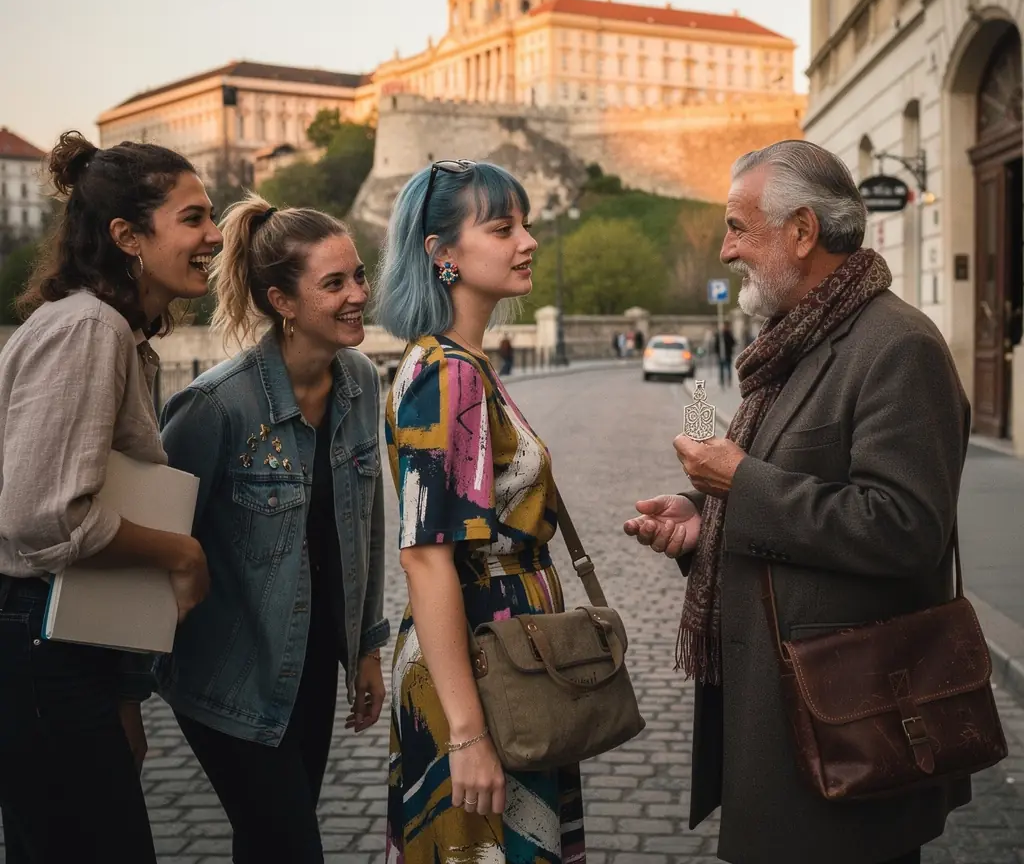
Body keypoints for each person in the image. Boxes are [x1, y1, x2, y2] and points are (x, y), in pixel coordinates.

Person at [624, 139, 971, 864]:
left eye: (737, 228)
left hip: (850, 721)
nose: (726, 250)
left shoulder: (898, 345)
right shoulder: (799, 340)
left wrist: (739, 484)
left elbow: (905, 528)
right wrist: (705, 517)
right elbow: (802, 486)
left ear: (803, 230)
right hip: (787, 716)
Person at [0, 131, 215, 864]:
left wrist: (123, 693)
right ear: (127, 236)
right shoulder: (89, 329)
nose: (215, 236)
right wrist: (181, 553)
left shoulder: (105, 329)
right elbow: (43, 517)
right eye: (193, 218)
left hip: (55, 643)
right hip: (40, 645)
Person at [157, 194, 390, 864]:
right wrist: (123, 692)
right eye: (334, 283)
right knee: (291, 846)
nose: (358, 295)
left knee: (267, 845)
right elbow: (158, 542)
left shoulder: (359, 381)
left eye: (358, 276)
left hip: (310, 668)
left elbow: (367, 526)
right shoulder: (215, 406)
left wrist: (365, 648)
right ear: (282, 301)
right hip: (227, 675)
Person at [375, 160, 586, 864]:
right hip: (483, 666)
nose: (528, 242)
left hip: (499, 658)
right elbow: (425, 557)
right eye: (502, 229)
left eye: (525, 225)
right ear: (443, 254)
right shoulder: (449, 373)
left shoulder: (455, 361)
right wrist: (467, 733)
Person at [717, 323, 736, 388]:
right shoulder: (719, 335)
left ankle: (729, 380)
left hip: (727, 355)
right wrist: (718, 353)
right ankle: (722, 381)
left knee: (728, 368)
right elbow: (716, 345)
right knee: (721, 369)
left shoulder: (728, 334)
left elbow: (733, 342)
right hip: (721, 355)